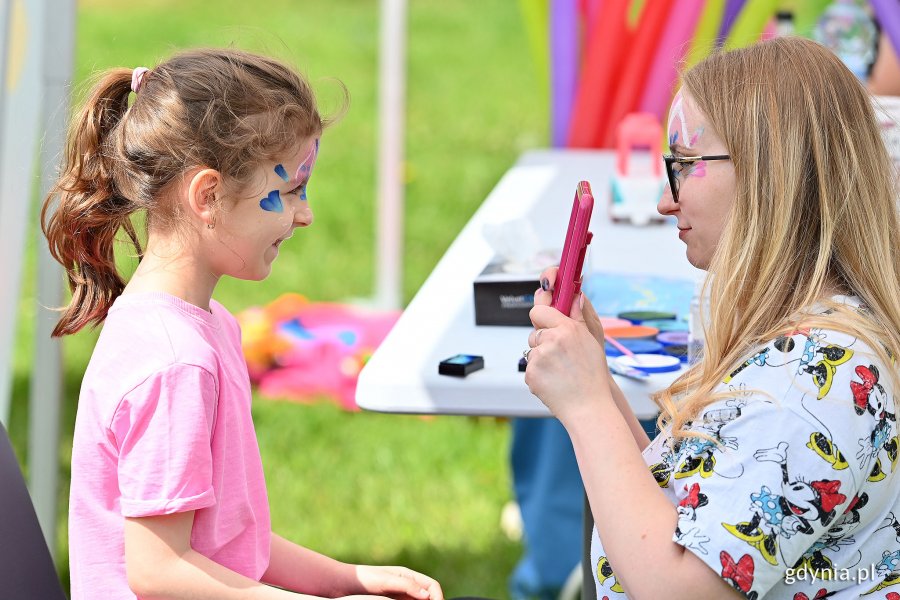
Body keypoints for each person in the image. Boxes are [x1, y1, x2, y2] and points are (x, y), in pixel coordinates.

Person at [41, 48, 443, 600]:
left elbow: (230, 538)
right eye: (290, 189)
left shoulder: (209, 327)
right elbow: (159, 570)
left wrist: (347, 579)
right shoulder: (175, 363)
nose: (305, 213)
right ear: (207, 196)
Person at [523, 36, 900, 599]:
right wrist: (594, 380)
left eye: (684, 164)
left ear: (770, 173)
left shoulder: (817, 376)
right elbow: (673, 512)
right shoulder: (801, 342)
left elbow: (679, 587)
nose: (663, 201)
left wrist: (586, 407)